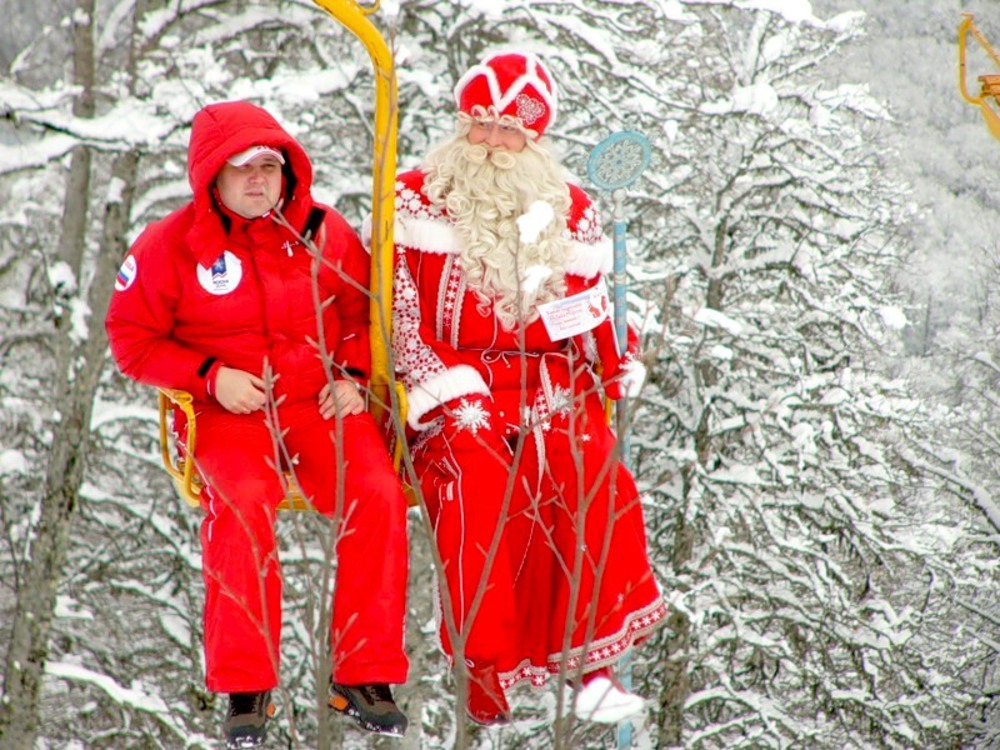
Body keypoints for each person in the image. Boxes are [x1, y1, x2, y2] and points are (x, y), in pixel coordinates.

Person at [105, 101, 410, 747]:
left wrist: (351, 376)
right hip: (231, 410)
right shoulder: (171, 245)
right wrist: (211, 376)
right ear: (211, 177)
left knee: (378, 492)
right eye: (240, 168)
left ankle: (363, 673)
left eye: (268, 167)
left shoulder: (323, 232)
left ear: (287, 172)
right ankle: (247, 687)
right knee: (242, 504)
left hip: (313, 401)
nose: (256, 181)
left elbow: (361, 315)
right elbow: (131, 340)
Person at [389, 51, 667, 726]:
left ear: (534, 140)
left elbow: (593, 311)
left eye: (507, 130)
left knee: (585, 465)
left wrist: (616, 361)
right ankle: (483, 666)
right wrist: (441, 382)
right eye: (479, 125)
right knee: (479, 476)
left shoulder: (570, 211)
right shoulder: (413, 197)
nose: (489, 144)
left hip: (546, 377)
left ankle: (592, 668)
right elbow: (395, 312)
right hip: (452, 378)